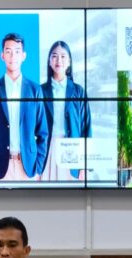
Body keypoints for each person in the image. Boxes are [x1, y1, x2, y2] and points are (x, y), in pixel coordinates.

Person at [0, 33, 49, 181]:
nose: (13, 56)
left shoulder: (35, 90)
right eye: (8, 51)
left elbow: (43, 133)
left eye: (17, 51)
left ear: (23, 56)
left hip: (28, 167)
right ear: (2, 55)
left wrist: (38, 167)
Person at [40, 40, 92, 181]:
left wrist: (85, 165)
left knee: (71, 198)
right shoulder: (40, 91)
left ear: (69, 62)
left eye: (63, 56)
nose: (59, 60)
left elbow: (86, 129)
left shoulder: (78, 91)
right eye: (54, 56)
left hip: (72, 150)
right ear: (49, 61)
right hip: (48, 150)